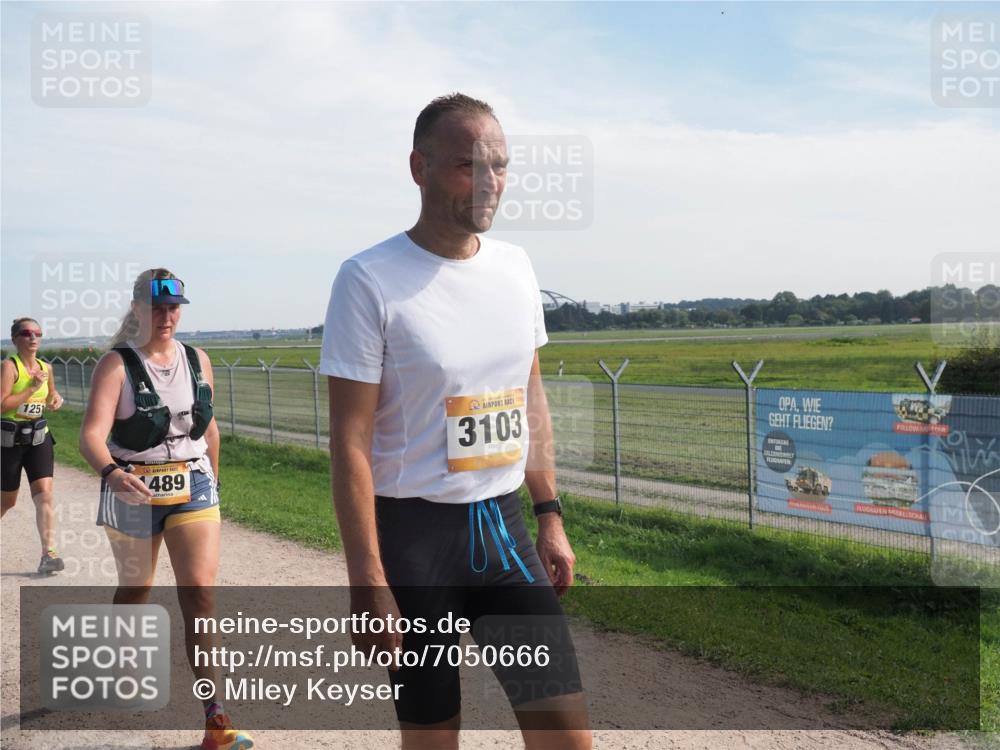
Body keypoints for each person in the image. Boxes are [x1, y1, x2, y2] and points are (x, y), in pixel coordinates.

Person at [321, 93, 592, 750]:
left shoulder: (515, 268)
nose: (491, 182)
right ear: (420, 167)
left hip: (502, 532)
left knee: (565, 732)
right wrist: (368, 581)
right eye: (469, 165)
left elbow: (529, 396)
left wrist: (549, 514)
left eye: (500, 165)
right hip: (414, 542)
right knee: (433, 737)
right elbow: (350, 444)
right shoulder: (368, 279)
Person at [79, 269, 252, 750]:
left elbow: (207, 428)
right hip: (132, 485)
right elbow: (91, 435)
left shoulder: (198, 359)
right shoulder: (116, 365)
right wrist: (113, 474)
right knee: (137, 588)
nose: (166, 317)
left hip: (193, 484)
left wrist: (214, 481)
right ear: (137, 309)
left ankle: (216, 720)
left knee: (199, 593)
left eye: (174, 307)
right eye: (157, 308)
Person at [1, 317, 66, 574]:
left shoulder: (45, 368)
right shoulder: (9, 367)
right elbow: (3, 405)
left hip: (38, 438)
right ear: (16, 338)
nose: (33, 338)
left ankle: (48, 553)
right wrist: (31, 388)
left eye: (37, 333)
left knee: (44, 495)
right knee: (7, 502)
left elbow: (52, 396)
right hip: (9, 441)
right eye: (27, 333)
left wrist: (56, 400)